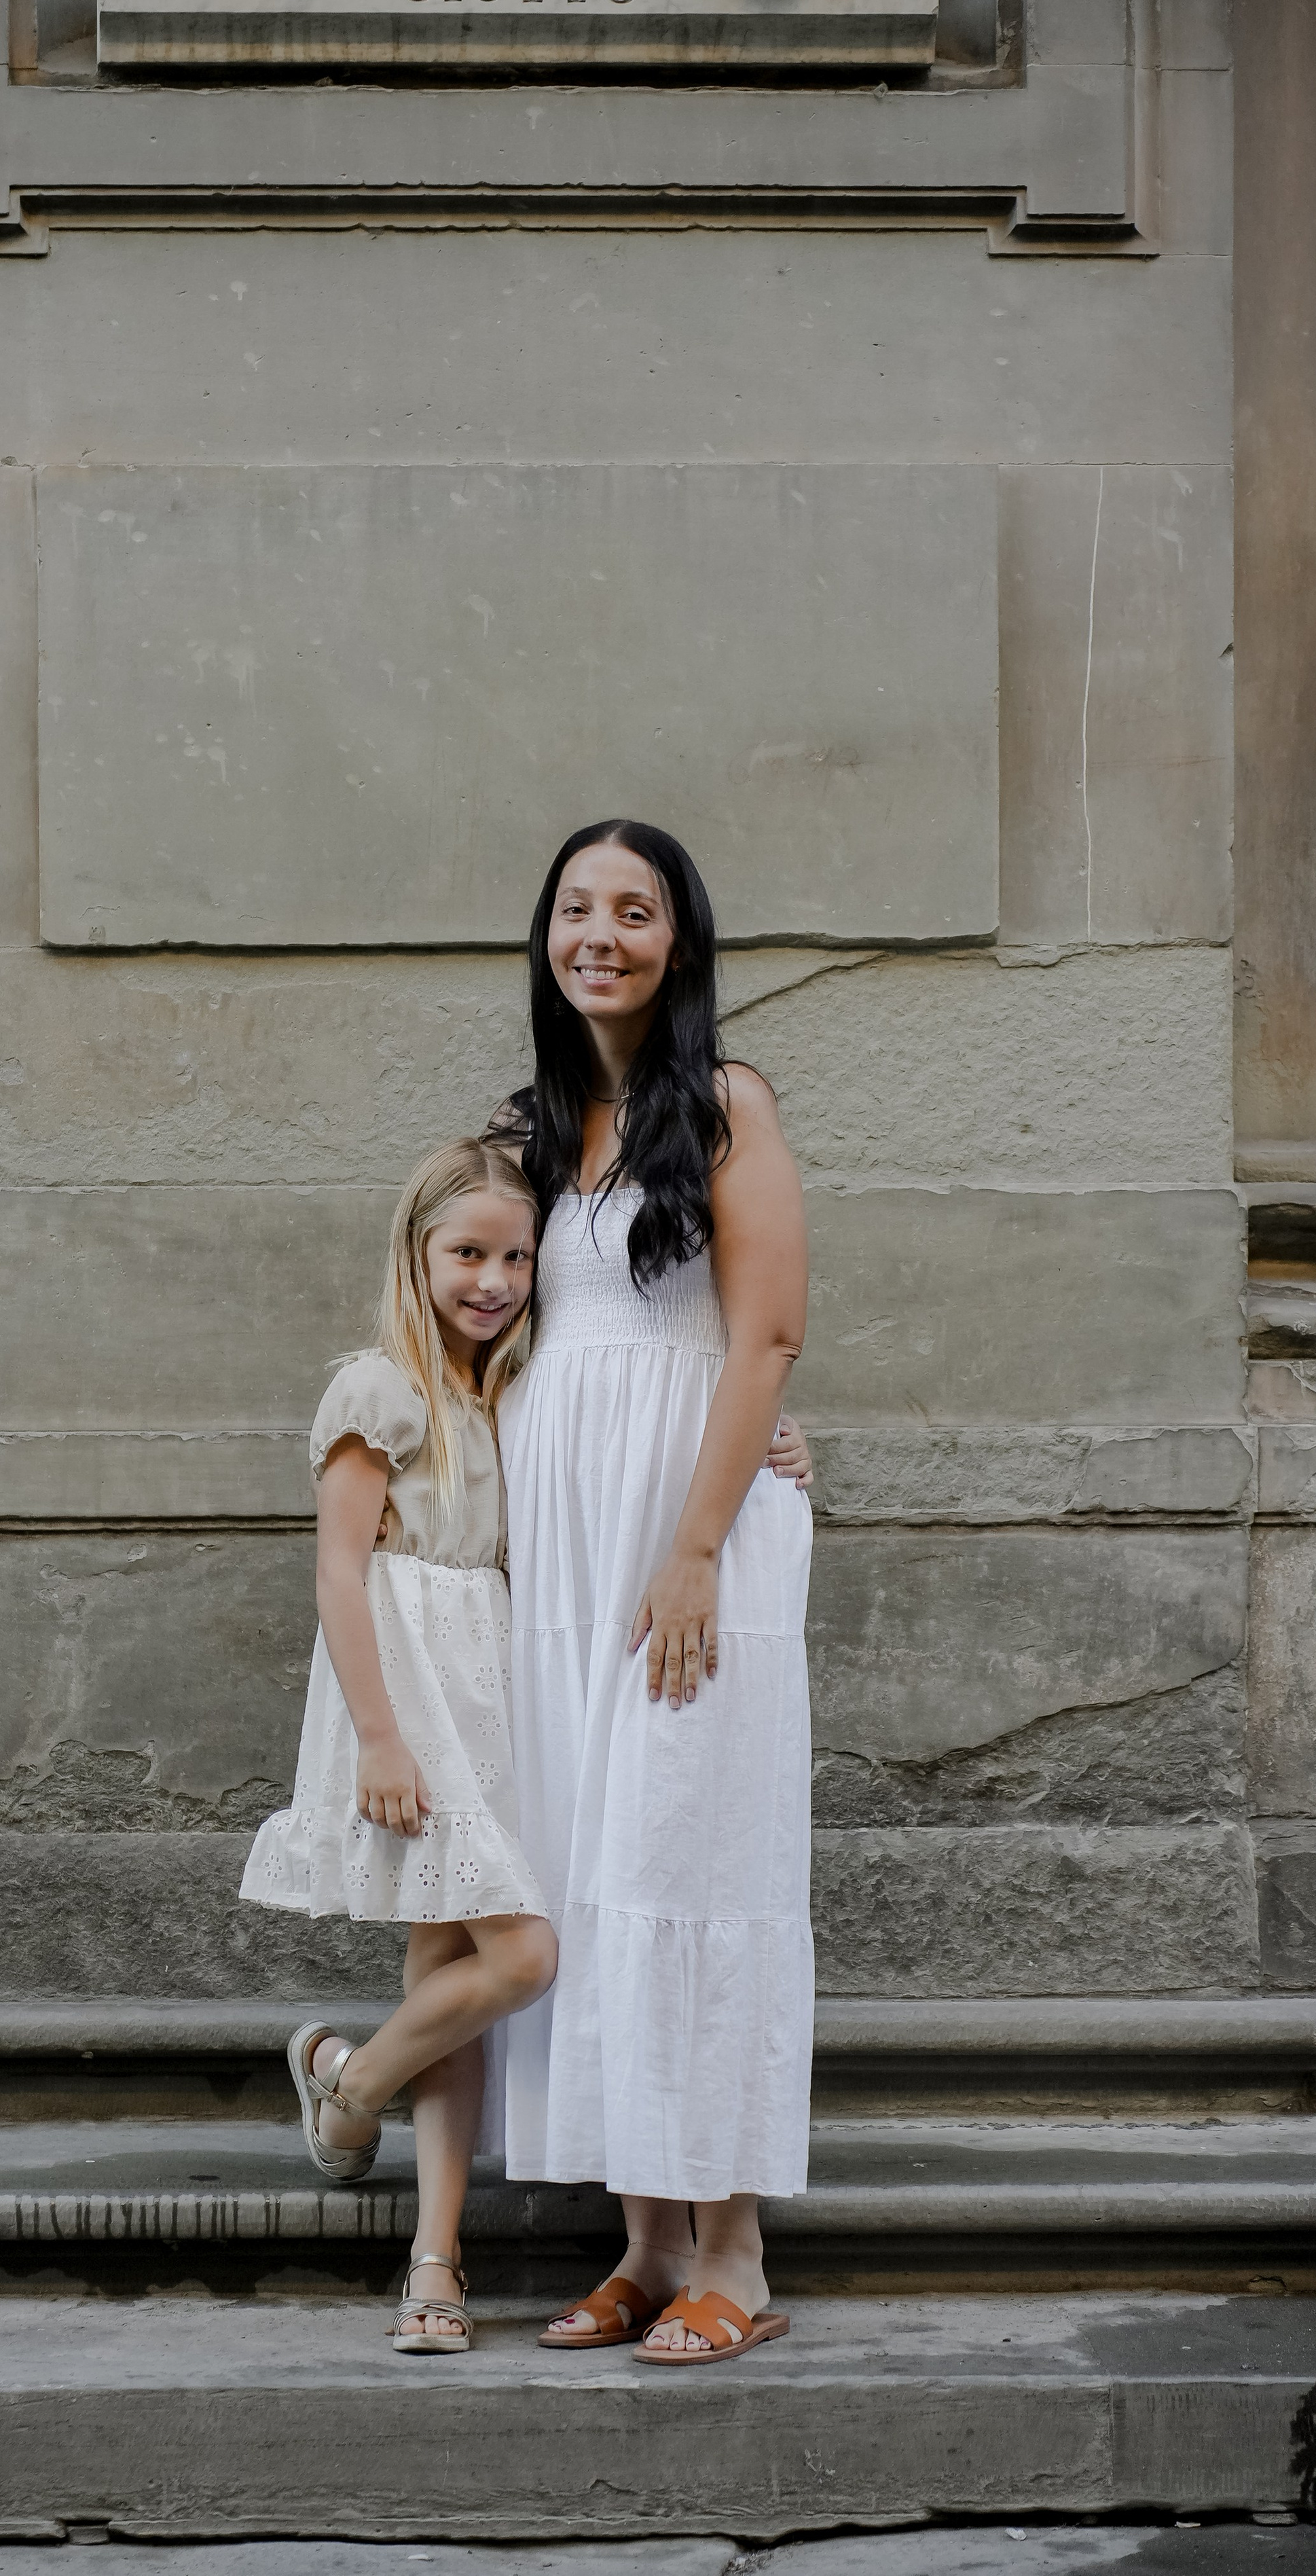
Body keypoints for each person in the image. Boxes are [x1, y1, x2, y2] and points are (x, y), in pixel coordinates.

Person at [491, 817, 816, 2368]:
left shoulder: (727, 1104)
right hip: (567, 1554)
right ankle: (642, 2243)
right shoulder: (549, 1124)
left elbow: (756, 1340)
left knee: (696, 1858)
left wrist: (694, 1539)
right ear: (545, 938)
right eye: (575, 908)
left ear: (677, 939)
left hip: (684, 1542)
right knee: (593, 1870)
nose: (599, 933)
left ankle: (734, 2256)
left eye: (632, 909)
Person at [241, 1138, 558, 2356]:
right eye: (467, 1252)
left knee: (450, 1981)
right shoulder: (380, 1389)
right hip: (412, 1686)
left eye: (515, 1254)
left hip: (494, 1685)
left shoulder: (512, 1394)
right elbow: (339, 1571)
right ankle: (353, 2081)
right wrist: (380, 1735)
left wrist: (781, 1444)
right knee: (519, 1958)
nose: (492, 1278)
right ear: (418, 1254)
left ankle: (432, 2256)